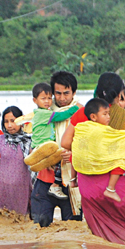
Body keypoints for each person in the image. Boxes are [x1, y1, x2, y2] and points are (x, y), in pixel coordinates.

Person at [61, 73, 125, 247]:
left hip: (88, 187)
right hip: (117, 187)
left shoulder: (83, 114)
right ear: (119, 94)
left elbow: (65, 142)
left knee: (100, 240)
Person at [29, 72, 82, 227]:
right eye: (57, 93)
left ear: (74, 93)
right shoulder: (43, 111)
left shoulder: (83, 112)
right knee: (39, 227)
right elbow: (34, 138)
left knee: (73, 229)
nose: (62, 98)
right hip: (46, 177)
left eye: (66, 93)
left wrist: (73, 154)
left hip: (72, 179)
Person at [0, 106, 33, 215]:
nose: (9, 125)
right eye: (6, 122)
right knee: (3, 215)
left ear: (21, 121)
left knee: (22, 215)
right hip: (3, 184)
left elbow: (34, 162)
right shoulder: (0, 140)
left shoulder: (29, 141)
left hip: (22, 184)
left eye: (13, 121)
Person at [79, 98, 124, 203]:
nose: (109, 117)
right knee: (120, 162)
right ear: (93, 117)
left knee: (75, 154)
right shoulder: (104, 130)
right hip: (98, 158)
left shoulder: (82, 127)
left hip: (85, 161)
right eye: (105, 114)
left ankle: (72, 179)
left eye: (109, 114)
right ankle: (110, 189)